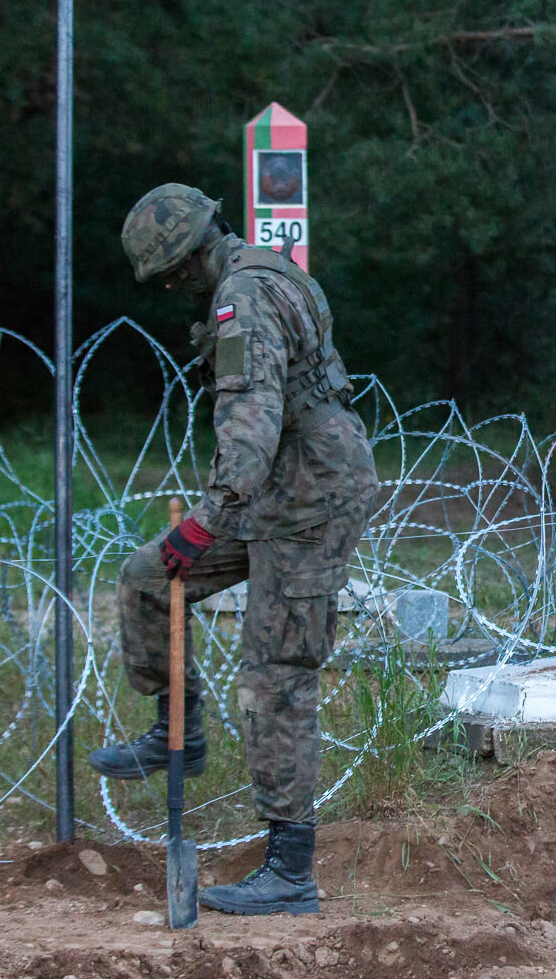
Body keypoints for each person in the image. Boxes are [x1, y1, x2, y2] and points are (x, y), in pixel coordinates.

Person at [90, 183, 378, 916]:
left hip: (309, 490)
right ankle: (176, 733)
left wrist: (208, 518)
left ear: (186, 262)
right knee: (150, 576)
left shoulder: (242, 297)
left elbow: (253, 416)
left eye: (170, 277)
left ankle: (289, 870)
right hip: (278, 486)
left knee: (276, 669)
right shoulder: (263, 269)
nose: (174, 291)